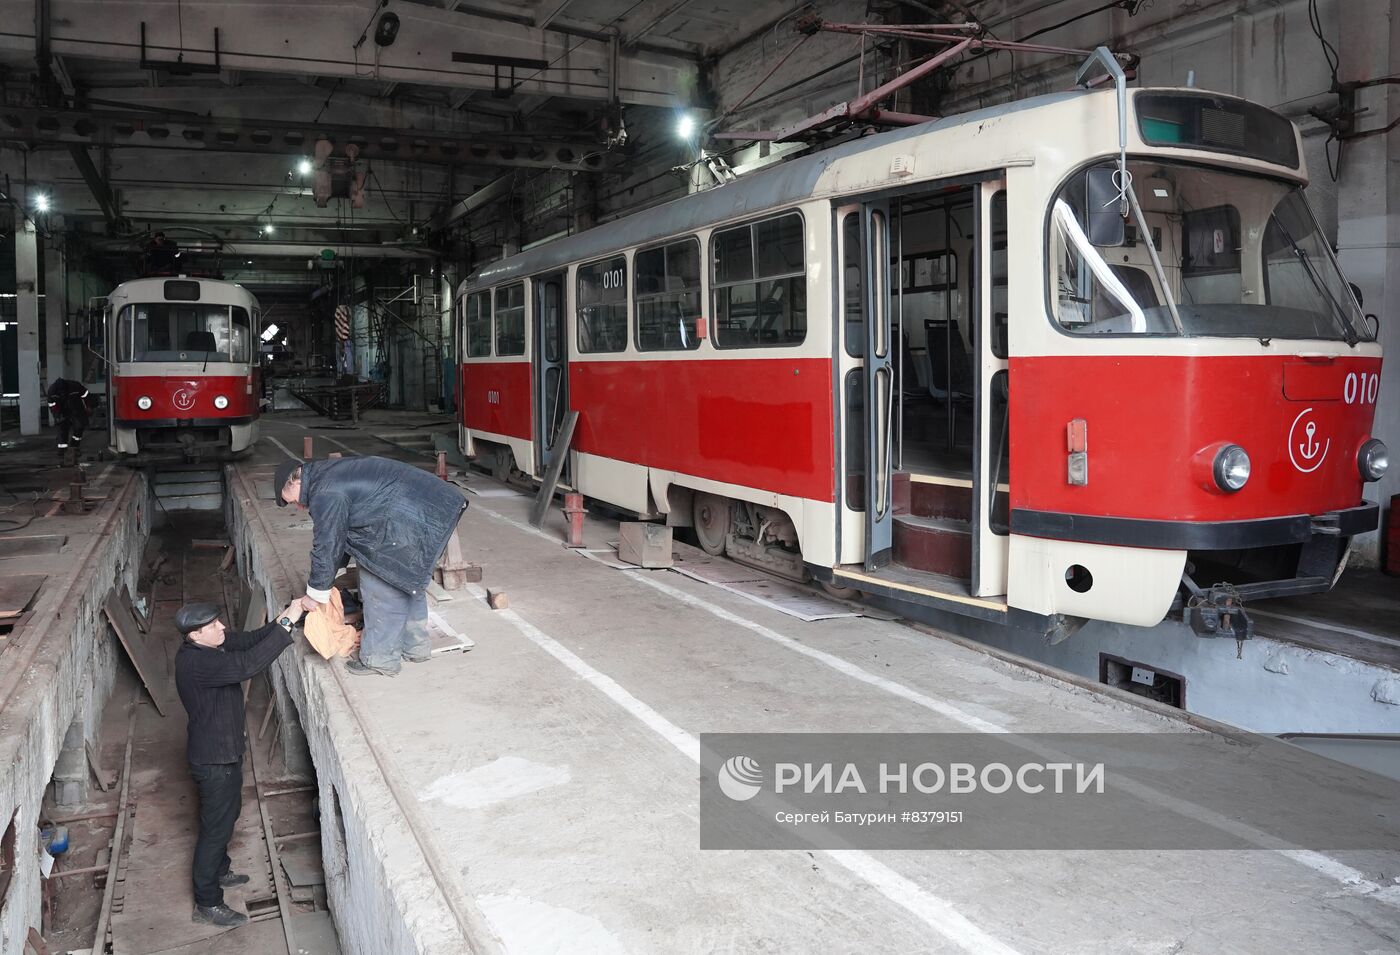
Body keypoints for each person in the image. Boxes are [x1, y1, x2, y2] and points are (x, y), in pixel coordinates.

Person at [174, 598, 306, 927]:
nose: (222, 627)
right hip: (214, 760)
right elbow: (248, 664)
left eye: (218, 622)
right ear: (194, 636)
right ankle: (207, 903)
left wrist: (286, 616)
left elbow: (248, 641)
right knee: (215, 831)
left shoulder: (211, 646)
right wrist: (288, 626)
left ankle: (219, 871)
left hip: (226, 752)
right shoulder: (197, 664)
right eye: (213, 625)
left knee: (229, 813)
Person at [273, 455, 467, 677]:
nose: (298, 507)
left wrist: (315, 594)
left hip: (408, 515)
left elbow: (327, 543)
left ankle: (380, 659)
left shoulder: (325, 492)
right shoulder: (324, 473)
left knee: (379, 582)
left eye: (293, 501)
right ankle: (416, 647)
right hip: (425, 507)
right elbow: (340, 536)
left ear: (296, 482)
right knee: (406, 578)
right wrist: (329, 578)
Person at [45, 377, 92, 463]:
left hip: (76, 409)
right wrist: (57, 415)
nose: (62, 393)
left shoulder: (74, 386)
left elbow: (86, 394)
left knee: (79, 427)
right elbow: (52, 405)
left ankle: (74, 446)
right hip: (62, 411)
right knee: (62, 428)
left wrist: (88, 406)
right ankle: (62, 450)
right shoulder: (52, 391)